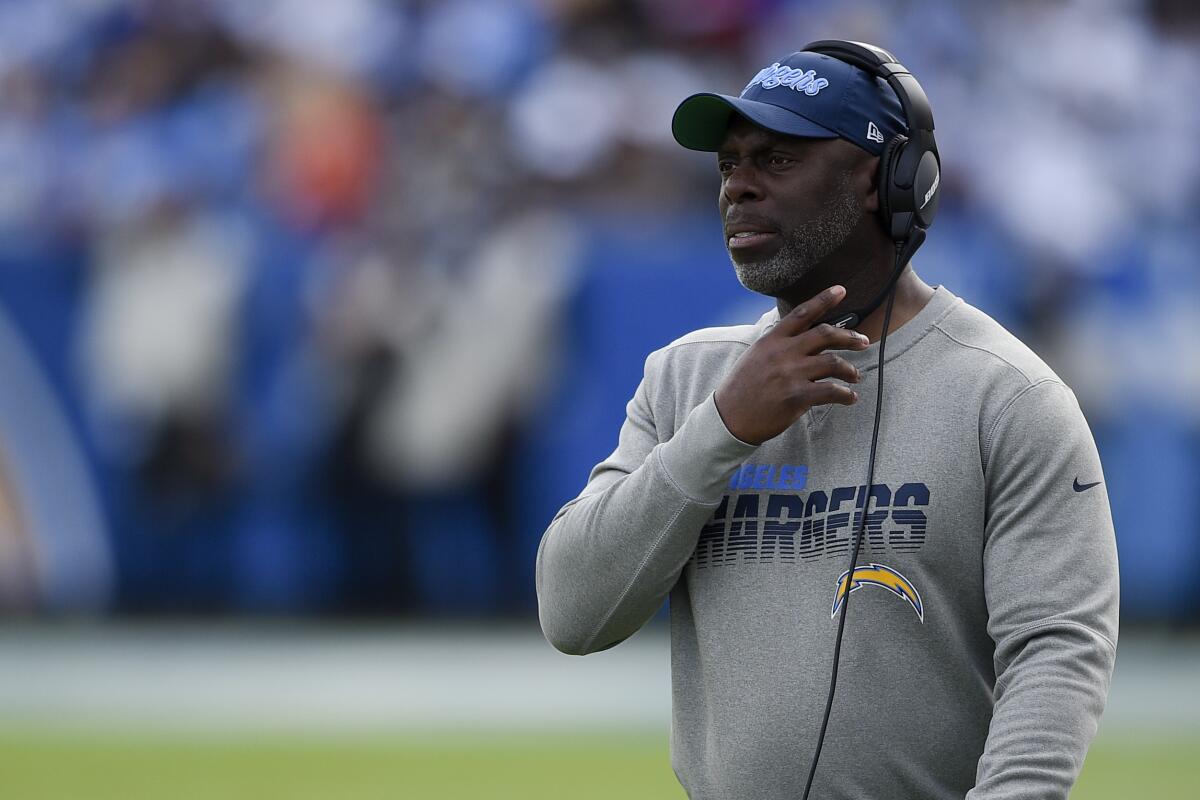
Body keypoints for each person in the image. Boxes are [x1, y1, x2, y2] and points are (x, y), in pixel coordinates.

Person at [535, 45, 1118, 800]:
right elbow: (574, 612)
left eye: (777, 161)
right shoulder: (686, 379)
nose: (738, 187)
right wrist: (721, 429)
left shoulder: (1007, 397)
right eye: (728, 165)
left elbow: (1057, 653)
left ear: (889, 180)